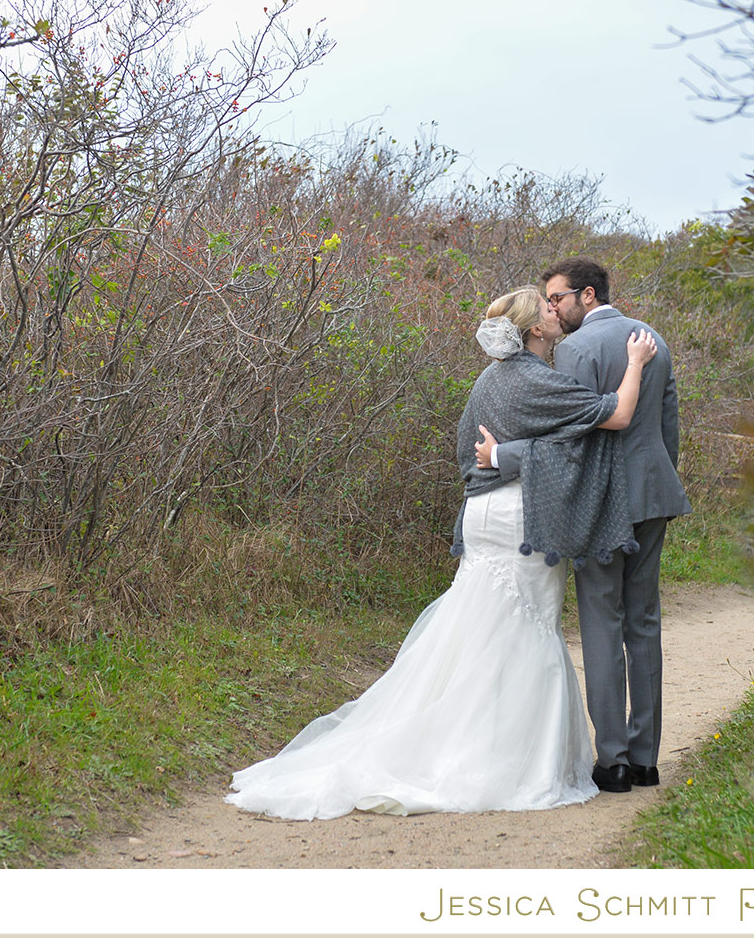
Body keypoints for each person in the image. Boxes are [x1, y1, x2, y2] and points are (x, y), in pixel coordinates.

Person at [223, 286, 658, 820]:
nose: (555, 310)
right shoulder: (535, 378)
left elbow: (465, 452)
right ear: (535, 330)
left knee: (478, 628)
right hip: (517, 516)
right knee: (523, 632)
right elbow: (614, 416)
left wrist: (497, 457)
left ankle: (452, 737)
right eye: (546, 308)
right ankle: (492, 758)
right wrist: (634, 363)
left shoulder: (488, 379)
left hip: (481, 515)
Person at [478, 257, 690, 794]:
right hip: (653, 497)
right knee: (644, 622)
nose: (553, 309)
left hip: (600, 502)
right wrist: (656, 482)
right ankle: (646, 760)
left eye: (557, 299)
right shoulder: (654, 341)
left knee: (602, 622)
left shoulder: (575, 350)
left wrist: (505, 454)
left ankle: (613, 762)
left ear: (587, 296)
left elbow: (566, 439)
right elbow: (668, 429)